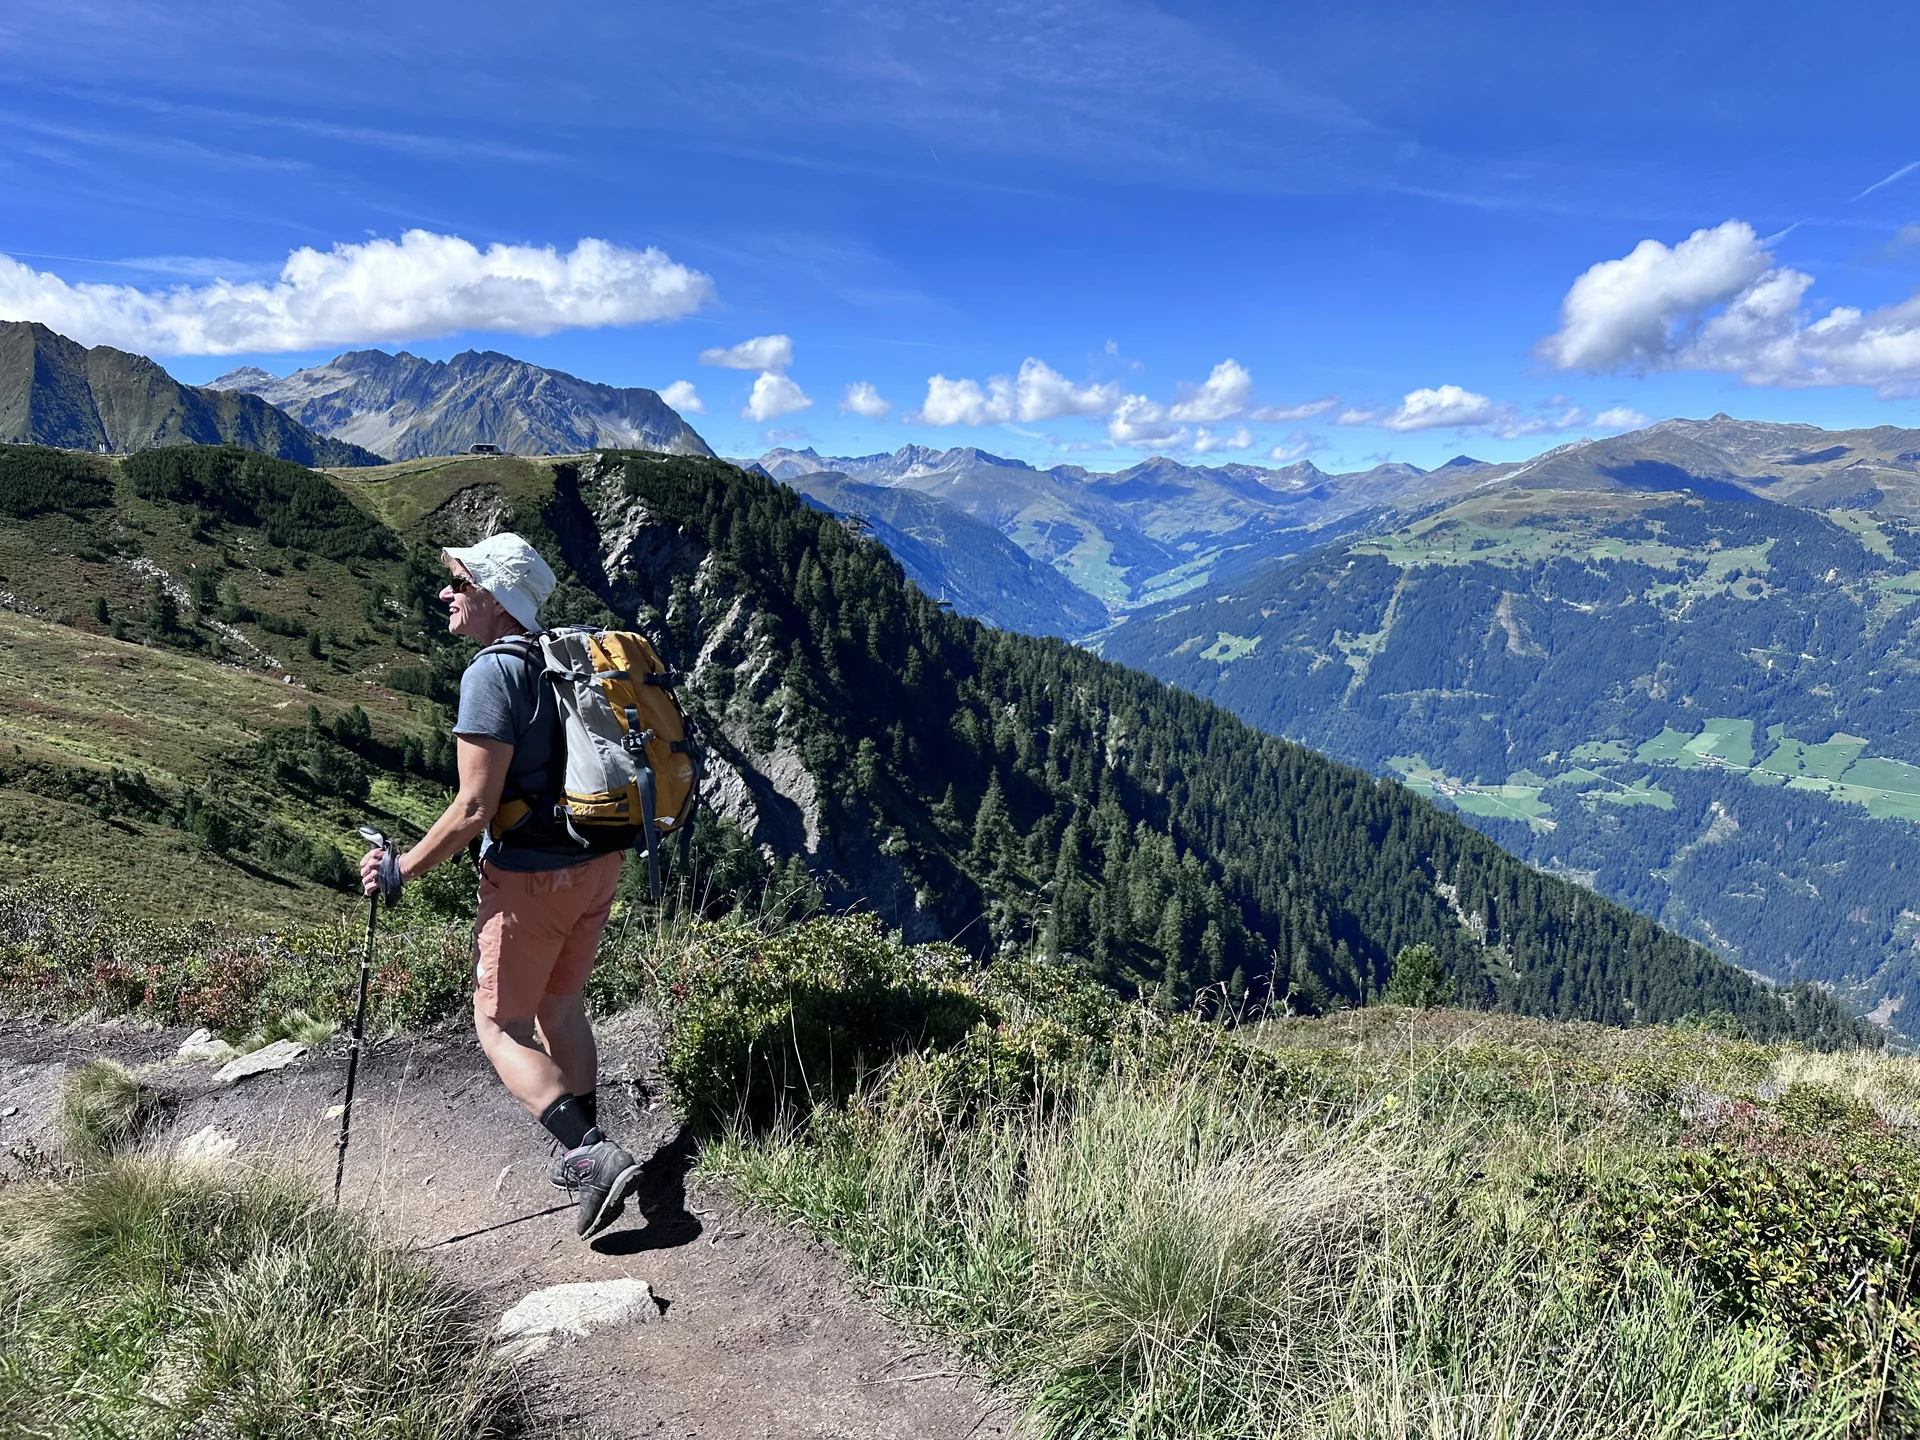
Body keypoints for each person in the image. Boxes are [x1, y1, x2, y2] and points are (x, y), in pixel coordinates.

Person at [359, 532, 643, 1239]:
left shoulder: (493, 673)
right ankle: (590, 1154)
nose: (446, 593)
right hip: (596, 862)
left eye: (458, 581)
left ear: (492, 595)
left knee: (498, 1027)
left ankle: (589, 1151)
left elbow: (473, 810)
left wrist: (400, 871)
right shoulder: (558, 661)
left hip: (531, 884)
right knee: (560, 1006)